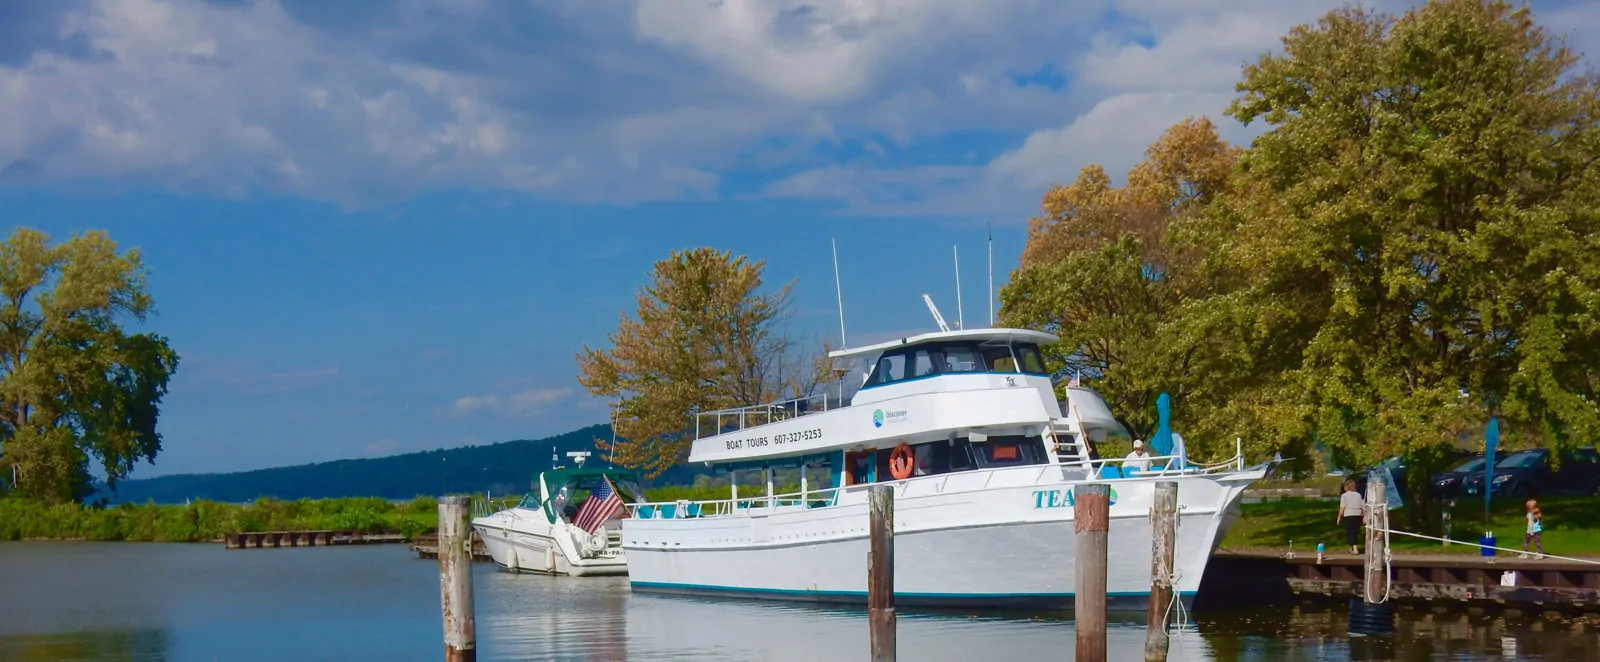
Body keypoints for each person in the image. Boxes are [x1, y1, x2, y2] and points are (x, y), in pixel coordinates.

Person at [1336, 479, 1364, 555]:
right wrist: (1364, 515)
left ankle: (1354, 548)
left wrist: (1339, 517)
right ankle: (1352, 546)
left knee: (1350, 532)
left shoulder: (1344, 496)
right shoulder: (1358, 495)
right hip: (1358, 514)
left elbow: (1342, 507)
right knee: (1355, 532)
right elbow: (1362, 506)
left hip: (1349, 514)